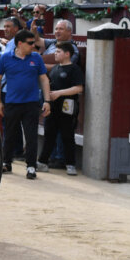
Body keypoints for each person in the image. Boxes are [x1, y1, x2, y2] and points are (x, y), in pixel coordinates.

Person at [0, 29, 51, 179]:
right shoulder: (5, 58)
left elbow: (44, 79)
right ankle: (6, 162)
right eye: (30, 43)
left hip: (31, 103)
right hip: (12, 103)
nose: (33, 46)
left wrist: (47, 100)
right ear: (20, 43)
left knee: (31, 136)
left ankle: (31, 166)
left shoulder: (36, 58)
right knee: (10, 135)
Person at [36, 41, 83, 176]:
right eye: (55, 51)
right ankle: (42, 162)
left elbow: (79, 88)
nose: (55, 54)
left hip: (67, 108)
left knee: (67, 136)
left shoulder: (74, 69)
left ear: (67, 54)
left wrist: (59, 93)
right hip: (52, 107)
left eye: (58, 52)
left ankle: (71, 164)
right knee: (49, 134)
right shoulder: (55, 69)